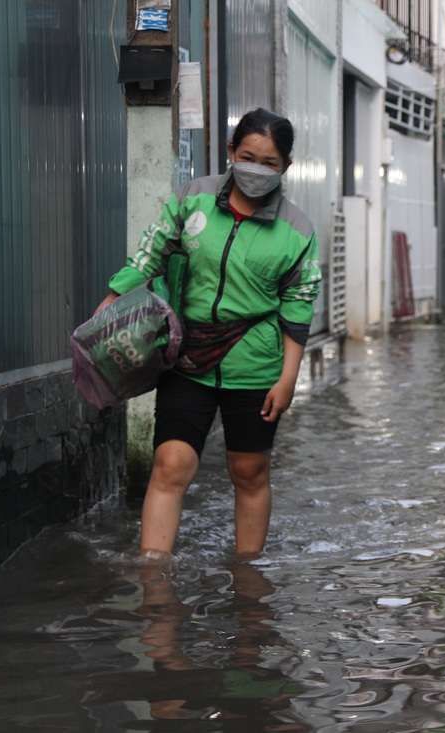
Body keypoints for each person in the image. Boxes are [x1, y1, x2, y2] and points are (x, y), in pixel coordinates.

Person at [96, 108, 321, 559]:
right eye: (248, 156)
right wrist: (110, 301)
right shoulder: (192, 199)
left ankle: (247, 576)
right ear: (231, 153)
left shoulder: (296, 231)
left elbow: (298, 308)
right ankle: (154, 578)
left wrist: (287, 378)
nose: (256, 168)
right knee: (170, 463)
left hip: (255, 363)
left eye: (269, 162)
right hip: (187, 355)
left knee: (249, 471)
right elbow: (150, 252)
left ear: (286, 168)